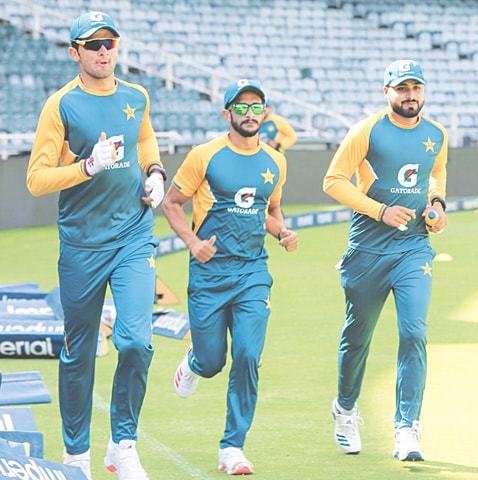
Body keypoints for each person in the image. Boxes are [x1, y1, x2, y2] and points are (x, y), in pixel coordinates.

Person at [26, 11, 165, 480]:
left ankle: (123, 444)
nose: (104, 52)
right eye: (93, 45)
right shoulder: (61, 105)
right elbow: (36, 179)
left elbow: (145, 138)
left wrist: (155, 173)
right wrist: (87, 166)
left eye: (110, 43)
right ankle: (76, 453)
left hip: (133, 235)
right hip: (82, 244)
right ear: (75, 53)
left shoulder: (136, 95)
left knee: (137, 341)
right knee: (79, 352)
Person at [162, 79, 298, 475]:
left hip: (253, 272)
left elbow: (269, 211)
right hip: (209, 274)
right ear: (227, 114)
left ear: (265, 113)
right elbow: (171, 203)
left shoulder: (275, 162)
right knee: (212, 361)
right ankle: (194, 363)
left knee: (248, 355)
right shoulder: (204, 155)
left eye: (256, 107)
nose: (249, 114)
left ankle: (232, 447)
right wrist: (192, 242)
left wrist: (282, 232)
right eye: (241, 107)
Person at [323, 59, 448, 462]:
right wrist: (380, 211)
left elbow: (434, 173)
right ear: (387, 92)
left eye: (416, 88)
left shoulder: (437, 134)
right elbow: (333, 181)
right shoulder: (367, 130)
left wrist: (437, 205)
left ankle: (407, 428)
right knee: (357, 337)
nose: (410, 95)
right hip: (367, 250)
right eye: (402, 88)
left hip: (413, 249)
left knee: (413, 332)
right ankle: (345, 409)